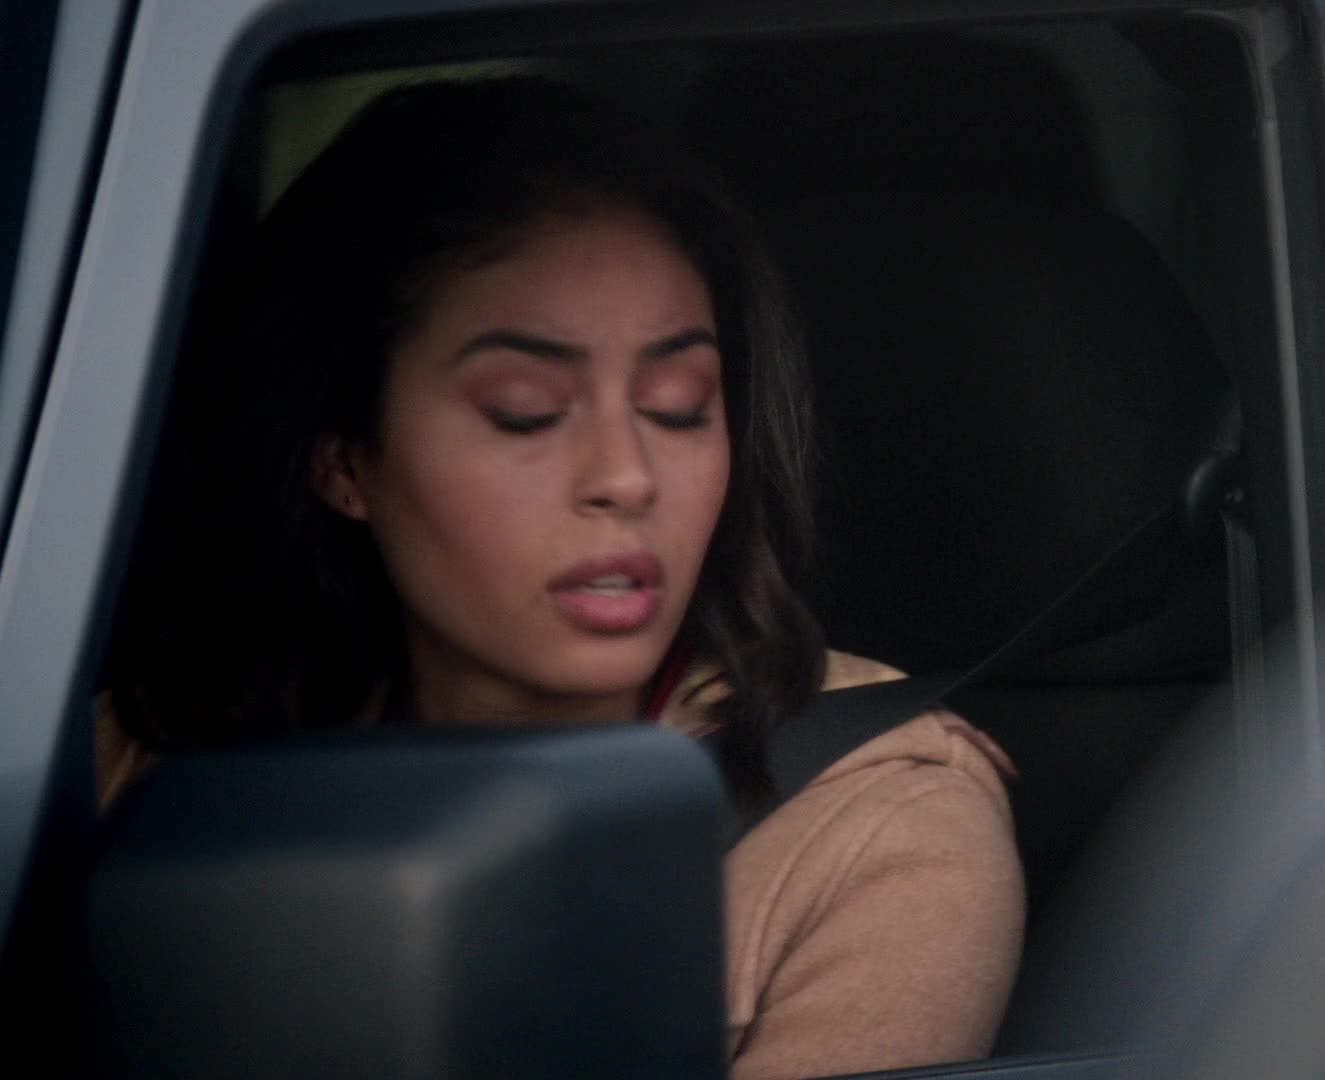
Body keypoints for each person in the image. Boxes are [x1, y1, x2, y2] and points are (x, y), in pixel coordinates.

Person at [97, 76, 1023, 1080]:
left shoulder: (870, 822)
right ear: (344, 459)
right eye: (525, 410)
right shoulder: (138, 762)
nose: (626, 477)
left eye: (679, 405)